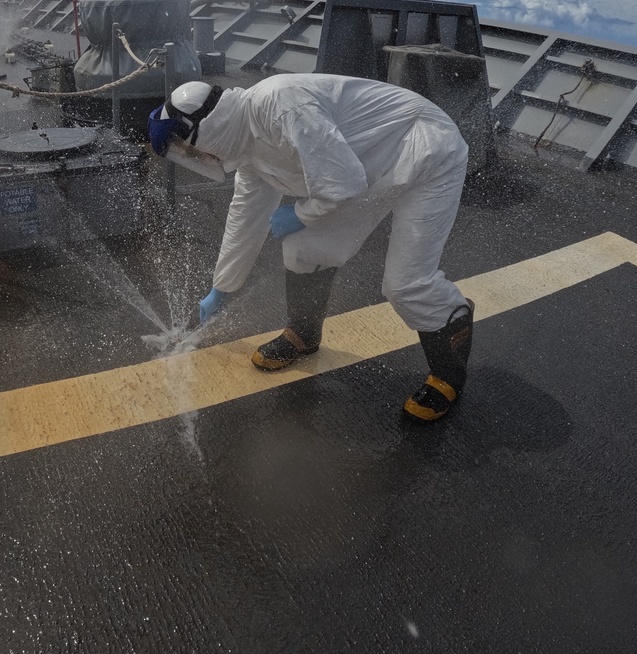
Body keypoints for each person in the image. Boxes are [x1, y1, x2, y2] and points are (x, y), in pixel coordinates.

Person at [148, 74, 473, 423]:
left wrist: (300, 213)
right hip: (370, 167)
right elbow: (246, 220)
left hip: (428, 150)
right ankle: (304, 334)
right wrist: (222, 289)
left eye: (189, 148)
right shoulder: (246, 150)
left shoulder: (280, 105)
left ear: (209, 129)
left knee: (406, 284)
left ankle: (448, 370)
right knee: (304, 247)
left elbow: (342, 183)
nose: (195, 156)